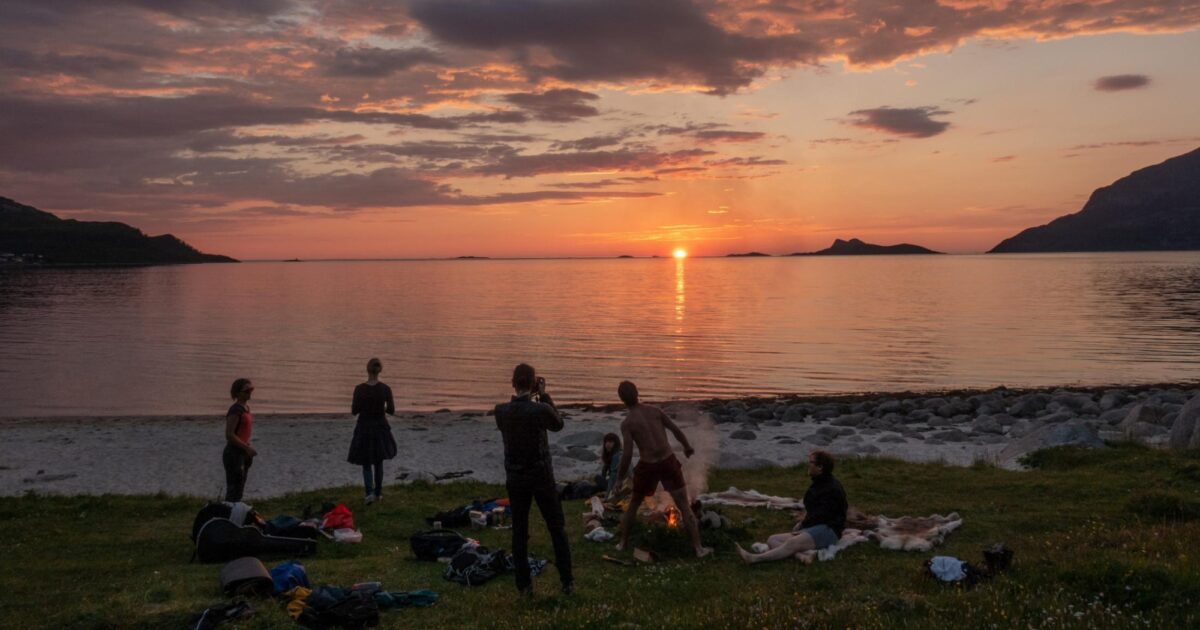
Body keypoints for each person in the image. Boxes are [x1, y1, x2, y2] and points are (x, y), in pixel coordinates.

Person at [494, 363, 574, 597]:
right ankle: (567, 581)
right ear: (531, 383)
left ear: (512, 382)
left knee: (519, 531)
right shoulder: (539, 410)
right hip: (540, 476)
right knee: (556, 527)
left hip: (516, 477)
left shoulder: (501, 411)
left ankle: (524, 585)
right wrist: (545, 396)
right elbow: (558, 424)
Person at [613, 380, 712, 558]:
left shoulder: (628, 423)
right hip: (667, 461)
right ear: (637, 393)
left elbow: (627, 454)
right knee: (684, 507)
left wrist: (619, 478)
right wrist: (687, 447)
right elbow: (675, 430)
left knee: (634, 505)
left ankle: (622, 543)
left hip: (648, 465)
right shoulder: (655, 411)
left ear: (622, 400)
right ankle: (698, 549)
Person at [735, 450, 848, 564]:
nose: (808, 464)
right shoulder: (818, 484)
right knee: (772, 539)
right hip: (815, 527)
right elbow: (814, 512)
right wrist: (803, 525)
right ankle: (802, 557)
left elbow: (823, 516)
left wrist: (804, 525)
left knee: (792, 543)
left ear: (820, 467)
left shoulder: (832, 488)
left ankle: (755, 558)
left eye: (811, 462)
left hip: (828, 530)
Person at [347, 358, 398, 504]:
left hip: (364, 427)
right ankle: (378, 493)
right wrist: (382, 408)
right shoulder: (385, 389)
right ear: (379, 370)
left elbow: (354, 411)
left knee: (366, 462)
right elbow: (392, 410)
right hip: (380, 428)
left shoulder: (359, 389)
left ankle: (369, 493)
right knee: (378, 461)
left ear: (367, 370)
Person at [223, 378, 256, 502]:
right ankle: (228, 516)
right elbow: (229, 435)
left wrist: (247, 448)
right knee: (233, 490)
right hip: (233, 453)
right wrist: (247, 448)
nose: (250, 392)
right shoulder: (235, 410)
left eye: (251, 389)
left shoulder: (246, 408)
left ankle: (235, 514)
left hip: (243, 452)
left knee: (240, 488)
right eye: (247, 390)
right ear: (238, 393)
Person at [594, 432, 622, 498]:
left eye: (611, 442)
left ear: (616, 443)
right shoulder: (611, 455)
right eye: (606, 441)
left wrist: (607, 496)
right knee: (599, 478)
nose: (607, 444)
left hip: (618, 485)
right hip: (616, 482)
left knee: (597, 478)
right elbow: (605, 473)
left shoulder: (617, 455)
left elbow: (613, 476)